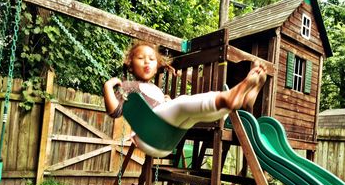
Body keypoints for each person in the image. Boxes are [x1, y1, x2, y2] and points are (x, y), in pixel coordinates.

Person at [104, 41, 267, 157]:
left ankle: (234, 103)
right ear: (130, 64)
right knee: (182, 102)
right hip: (147, 137)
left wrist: (166, 103)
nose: (147, 61)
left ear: (157, 65)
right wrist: (108, 86)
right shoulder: (128, 86)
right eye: (141, 58)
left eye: (152, 59)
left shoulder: (157, 90)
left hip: (168, 140)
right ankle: (230, 99)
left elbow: (163, 112)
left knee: (194, 116)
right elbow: (115, 112)